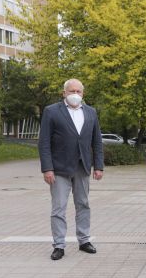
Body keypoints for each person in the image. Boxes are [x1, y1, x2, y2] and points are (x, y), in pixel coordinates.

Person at [38, 79, 104, 261]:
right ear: (64, 93)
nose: (75, 94)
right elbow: (44, 142)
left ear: (83, 93)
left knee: (83, 204)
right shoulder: (51, 111)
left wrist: (98, 166)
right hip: (59, 169)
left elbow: (96, 141)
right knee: (58, 207)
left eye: (79, 91)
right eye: (71, 91)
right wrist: (47, 168)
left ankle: (84, 240)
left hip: (82, 167)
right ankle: (59, 245)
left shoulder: (91, 112)